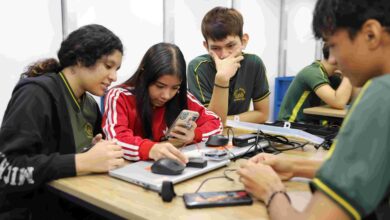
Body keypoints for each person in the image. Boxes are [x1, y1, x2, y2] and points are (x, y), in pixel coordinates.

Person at [238, 0, 390, 219]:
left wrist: (271, 190)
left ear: (371, 34)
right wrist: (296, 166)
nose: (334, 60)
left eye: (334, 45)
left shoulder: (381, 95)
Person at [0, 24, 125, 219]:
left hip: (70, 202)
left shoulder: (90, 104)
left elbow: (66, 152)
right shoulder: (35, 95)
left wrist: (90, 152)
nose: (114, 77)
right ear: (81, 59)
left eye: (117, 69)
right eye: (108, 66)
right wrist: (80, 161)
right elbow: (8, 169)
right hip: (32, 210)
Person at [102, 42, 222, 164]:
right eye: (160, 86)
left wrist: (195, 135)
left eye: (175, 88)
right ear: (145, 76)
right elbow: (115, 140)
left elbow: (216, 123)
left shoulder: (181, 96)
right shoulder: (119, 96)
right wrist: (151, 149)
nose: (166, 95)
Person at [187, 6, 270, 124]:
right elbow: (210, 123)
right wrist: (222, 78)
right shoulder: (197, 68)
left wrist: (226, 121)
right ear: (206, 46)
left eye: (231, 46)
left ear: (244, 41)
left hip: (239, 134)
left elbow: (262, 114)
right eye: (216, 48)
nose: (224, 55)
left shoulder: (254, 64)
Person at [278, 44, 353, 124]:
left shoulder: (333, 77)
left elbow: (353, 99)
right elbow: (339, 102)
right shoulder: (313, 73)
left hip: (309, 126)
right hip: (292, 126)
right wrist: (348, 72)